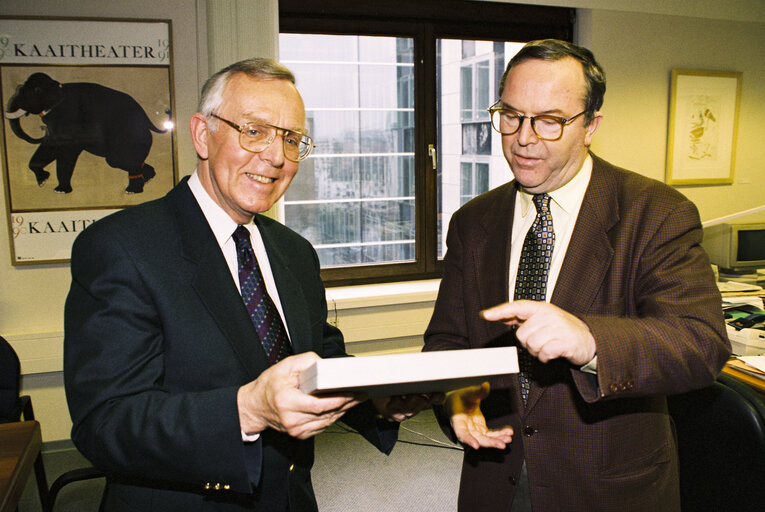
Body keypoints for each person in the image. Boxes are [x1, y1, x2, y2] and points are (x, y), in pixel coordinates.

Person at [64, 58, 433, 512]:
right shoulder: (121, 247)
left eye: (292, 138)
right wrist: (247, 410)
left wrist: (376, 399)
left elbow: (318, 359)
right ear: (202, 134)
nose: (277, 157)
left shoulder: (294, 252)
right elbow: (104, 422)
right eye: (255, 131)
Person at [423, 39, 730, 512]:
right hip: (494, 477)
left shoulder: (657, 213)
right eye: (511, 114)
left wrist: (592, 341)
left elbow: (701, 344)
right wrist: (459, 399)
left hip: (608, 486)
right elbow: (447, 341)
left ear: (590, 126)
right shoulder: (473, 221)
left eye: (549, 121)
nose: (523, 138)